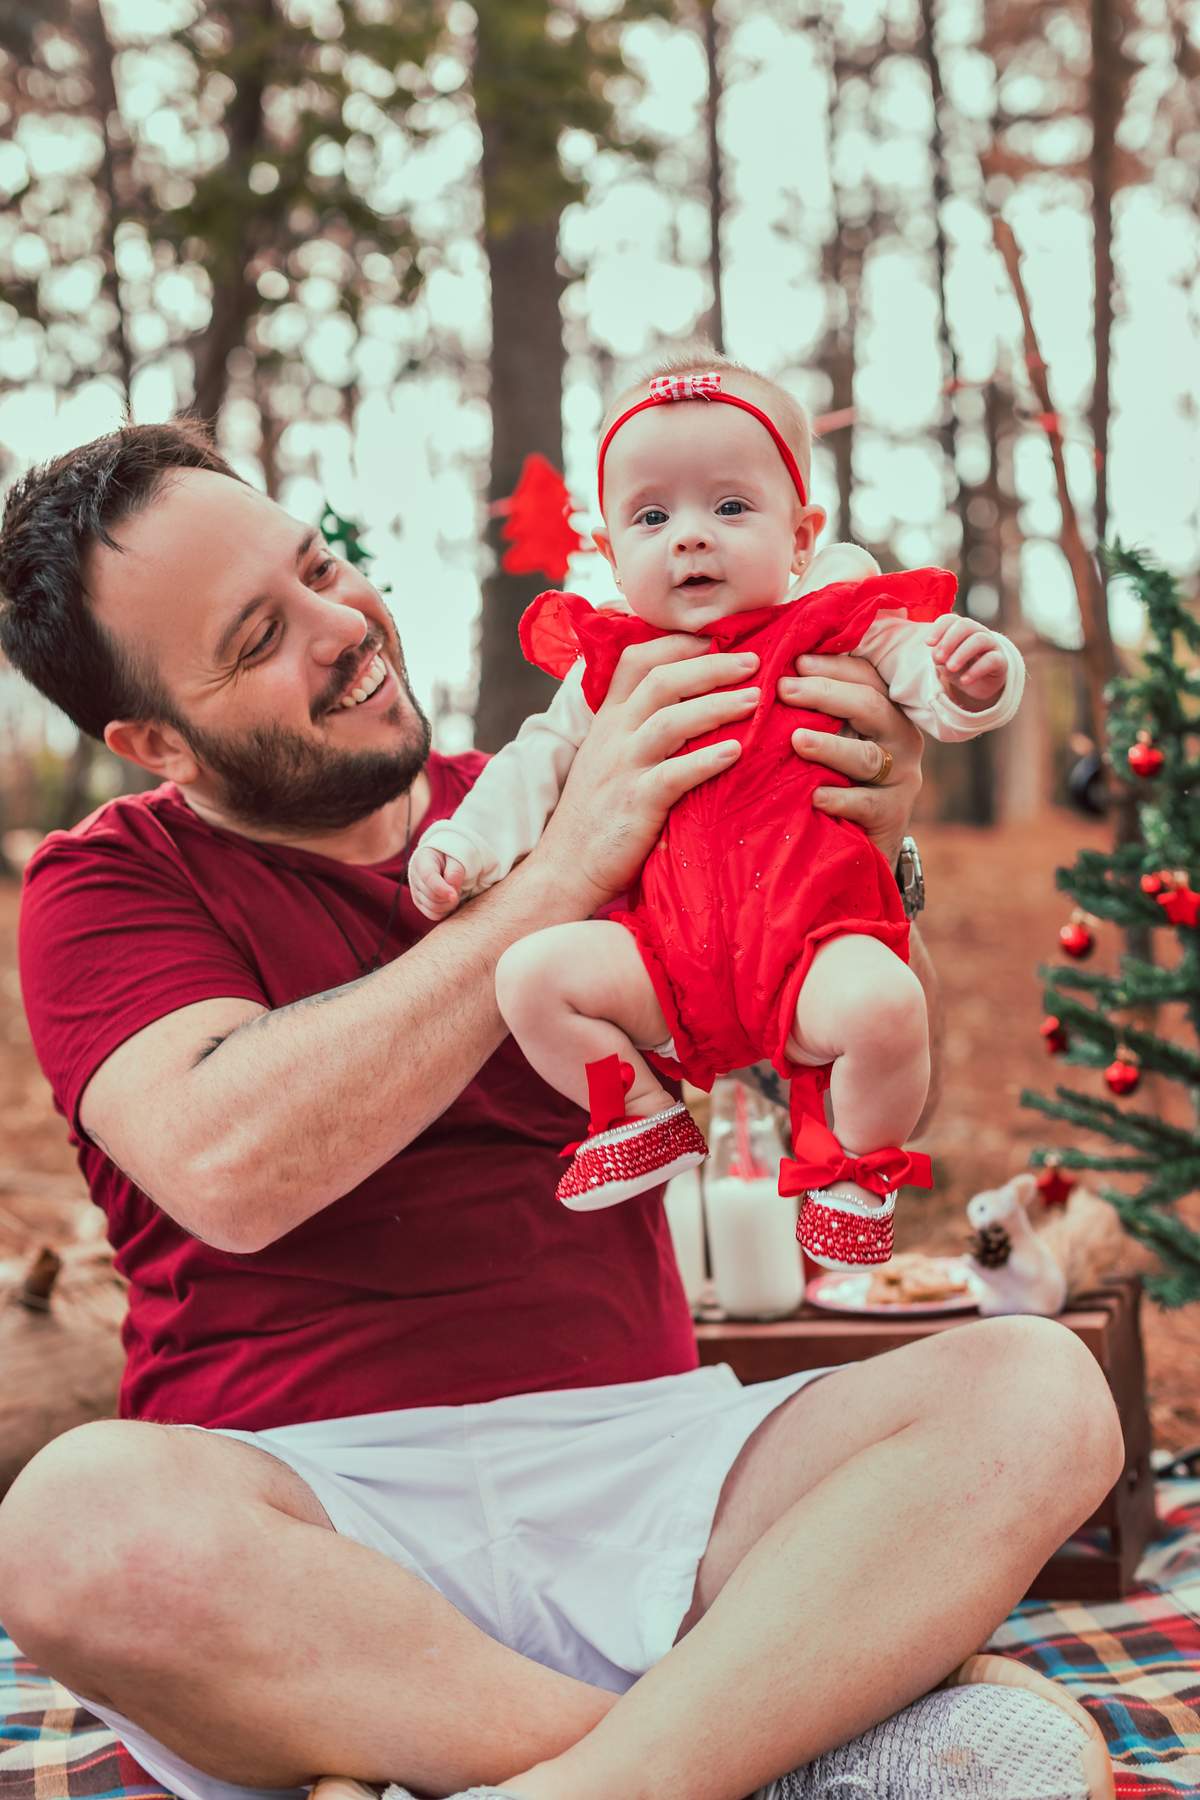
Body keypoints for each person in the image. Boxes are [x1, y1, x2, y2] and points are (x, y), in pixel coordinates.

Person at [0, 422, 1121, 1800]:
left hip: (654, 1475)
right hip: (308, 1537)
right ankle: (754, 1748)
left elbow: (845, 1084)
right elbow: (231, 1165)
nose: (342, 627)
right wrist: (559, 876)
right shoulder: (109, 884)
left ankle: (595, 1779)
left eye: (320, 568)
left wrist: (862, 865)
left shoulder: (581, 782)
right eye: (257, 638)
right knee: (71, 1526)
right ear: (153, 740)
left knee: (1040, 1390)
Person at [408, 352, 1023, 1271]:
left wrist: (976, 680)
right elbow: (533, 764)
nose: (691, 539)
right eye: (652, 517)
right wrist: (465, 842)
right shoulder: (611, 663)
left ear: (801, 538)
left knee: (886, 1005)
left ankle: (851, 1173)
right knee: (531, 975)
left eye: (731, 507)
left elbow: (930, 688)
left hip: (811, 943)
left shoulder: (840, 620)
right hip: (664, 956)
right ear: (611, 554)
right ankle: (641, 1117)